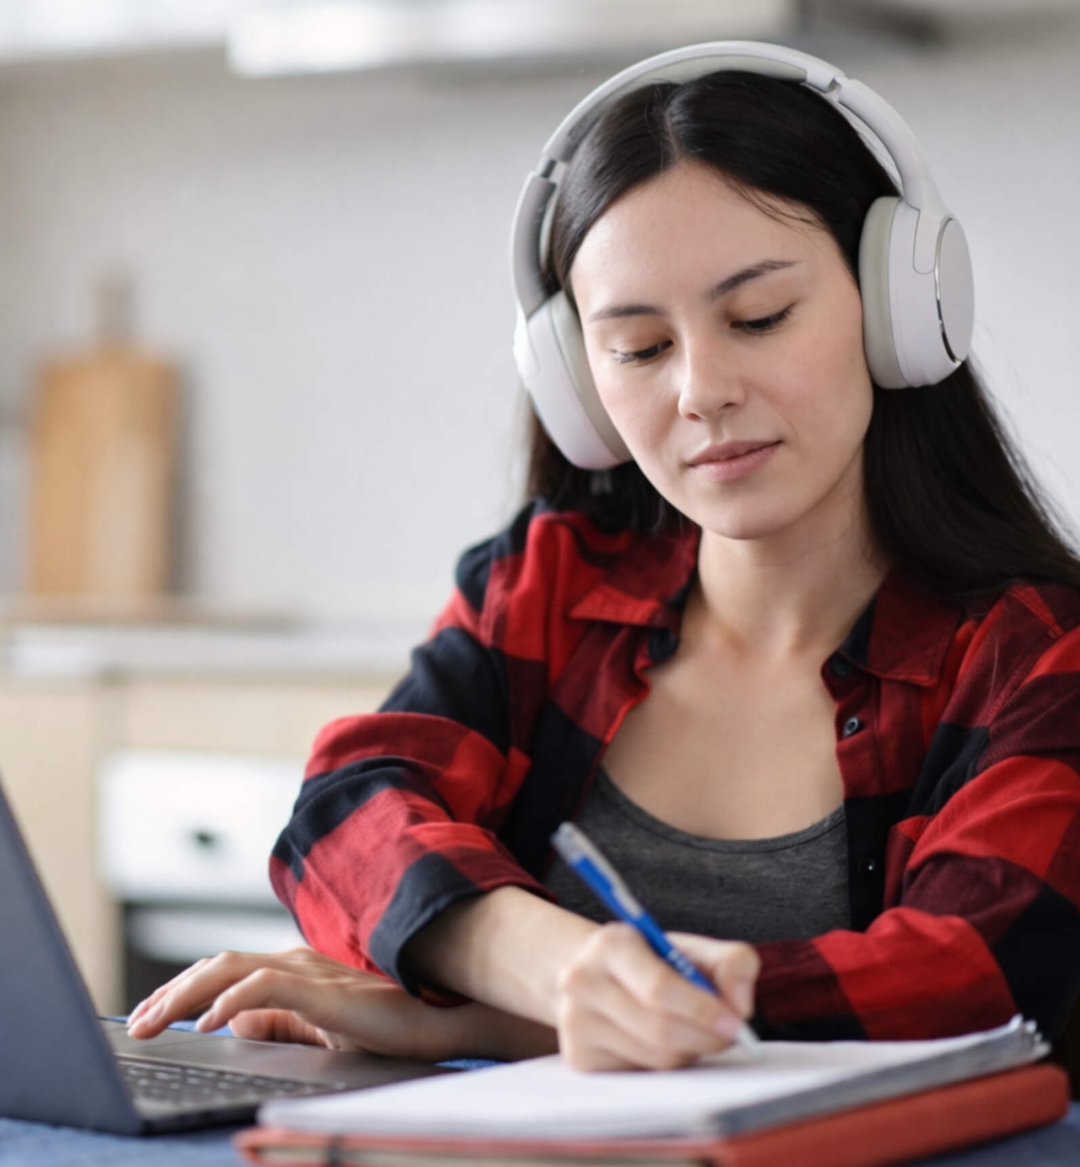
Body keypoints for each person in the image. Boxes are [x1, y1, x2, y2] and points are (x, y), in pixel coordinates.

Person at [127, 44, 1080, 1073]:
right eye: (638, 348)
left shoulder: (1034, 655)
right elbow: (347, 807)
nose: (701, 390)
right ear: (579, 385)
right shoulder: (550, 586)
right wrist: (542, 963)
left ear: (902, 308)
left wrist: (483, 1017)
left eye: (759, 318)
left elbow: (981, 982)